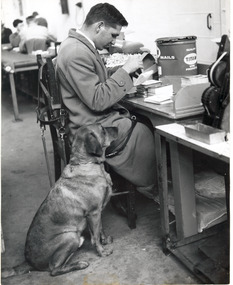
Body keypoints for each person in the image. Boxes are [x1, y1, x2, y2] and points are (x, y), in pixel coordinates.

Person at [56, 3, 157, 202]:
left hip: (88, 118)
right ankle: (151, 185)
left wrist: (121, 71)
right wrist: (125, 71)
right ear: (99, 26)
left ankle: (145, 180)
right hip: (89, 126)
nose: (113, 42)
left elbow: (94, 80)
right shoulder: (77, 52)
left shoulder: (78, 45)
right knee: (144, 129)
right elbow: (97, 100)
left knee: (142, 120)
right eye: (112, 35)